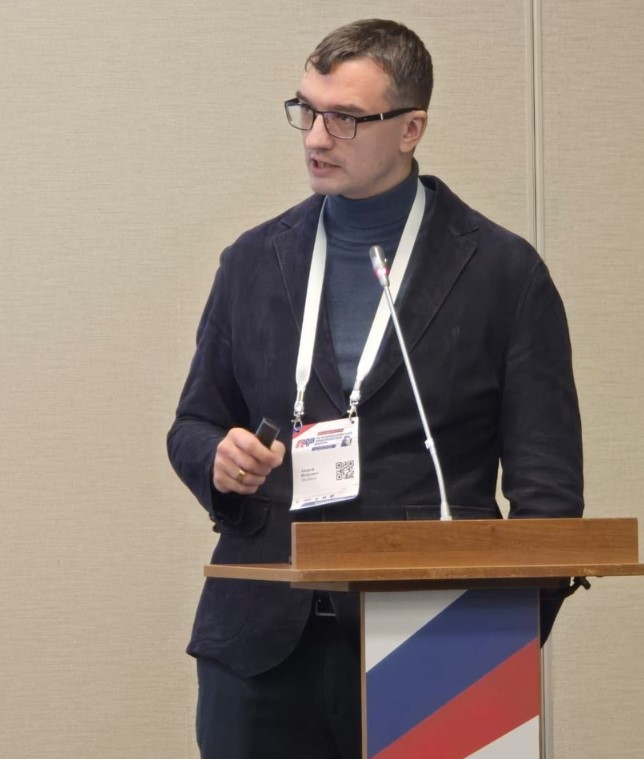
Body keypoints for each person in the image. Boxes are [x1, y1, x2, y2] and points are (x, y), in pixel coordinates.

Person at [167, 18, 583, 759]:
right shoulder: (253, 261)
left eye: (346, 118)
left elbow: (548, 492)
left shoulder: (503, 272)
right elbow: (195, 423)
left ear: (410, 128)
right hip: (262, 645)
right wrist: (217, 460)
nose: (316, 137)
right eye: (307, 109)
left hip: (443, 641)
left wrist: (499, 635)